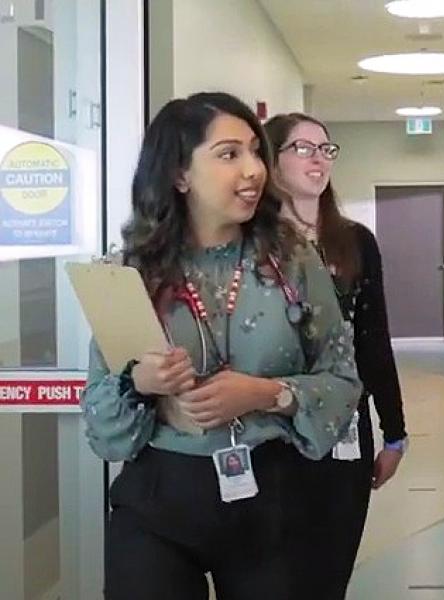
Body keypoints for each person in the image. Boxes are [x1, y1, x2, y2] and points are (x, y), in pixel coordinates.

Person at [81, 92, 361, 600]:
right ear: (179, 174)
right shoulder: (130, 274)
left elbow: (343, 383)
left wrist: (264, 393)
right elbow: (101, 426)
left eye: (256, 151)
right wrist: (138, 383)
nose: (254, 169)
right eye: (229, 154)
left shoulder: (294, 260)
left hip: (274, 498)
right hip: (159, 500)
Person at [265, 111, 408, 600]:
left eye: (325, 149)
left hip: (345, 429)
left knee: (329, 570)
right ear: (273, 160)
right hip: (271, 428)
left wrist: (394, 433)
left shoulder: (355, 241)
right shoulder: (252, 242)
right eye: (302, 148)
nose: (318, 159)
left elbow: (373, 339)